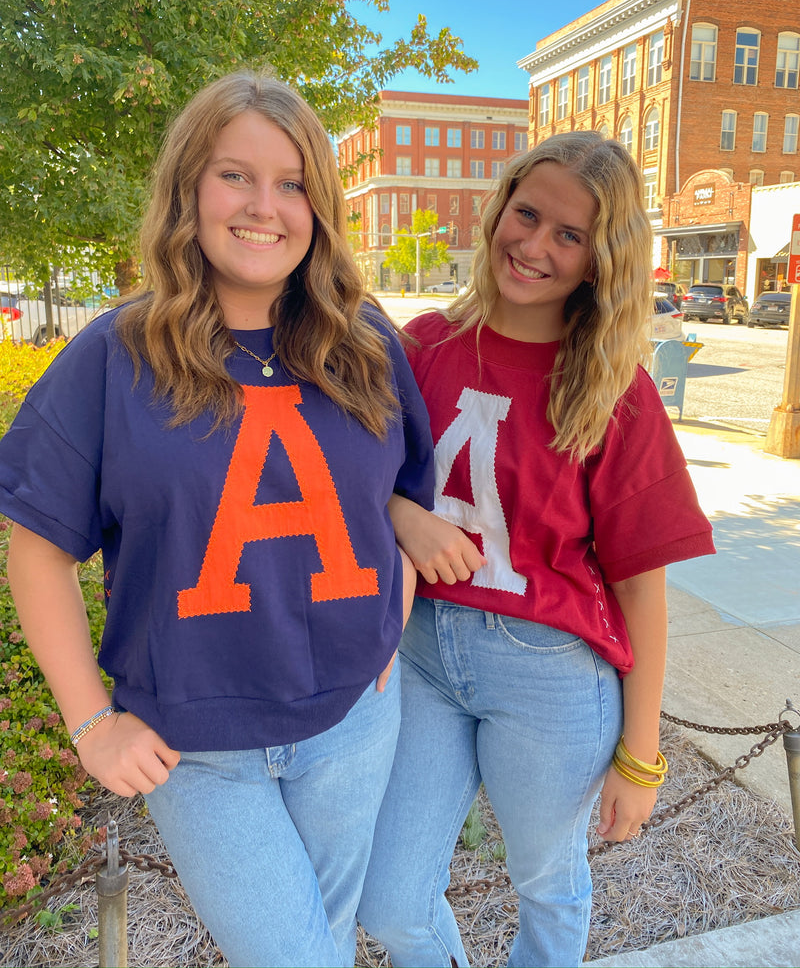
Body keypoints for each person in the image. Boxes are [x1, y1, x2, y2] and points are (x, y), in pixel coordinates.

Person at [0, 71, 433, 968]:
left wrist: (389, 620)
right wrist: (90, 724)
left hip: (353, 721)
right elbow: (37, 548)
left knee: (324, 939)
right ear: (188, 188)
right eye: (236, 175)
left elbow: (401, 493)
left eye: (292, 181)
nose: (264, 205)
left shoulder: (366, 343)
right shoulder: (113, 357)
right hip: (195, 748)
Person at [358, 131, 715, 967]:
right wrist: (404, 516)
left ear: (601, 259)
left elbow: (639, 588)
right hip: (420, 654)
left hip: (549, 674)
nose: (535, 244)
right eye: (528, 214)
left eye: (570, 234)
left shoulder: (611, 387)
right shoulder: (421, 348)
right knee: (392, 895)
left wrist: (642, 753)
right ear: (500, 209)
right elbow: (347, 480)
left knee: (546, 880)